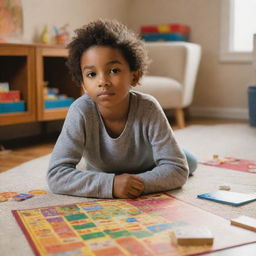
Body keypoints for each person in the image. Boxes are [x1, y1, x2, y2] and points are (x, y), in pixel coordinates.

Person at [47, 19, 197, 199]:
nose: (102, 81)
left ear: (135, 76)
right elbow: (56, 174)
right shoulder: (80, 111)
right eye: (91, 74)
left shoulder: (148, 107)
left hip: (149, 165)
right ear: (83, 83)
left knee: (190, 162)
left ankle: (174, 149)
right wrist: (111, 184)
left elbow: (177, 170)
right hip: (103, 171)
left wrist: (135, 184)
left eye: (114, 70)